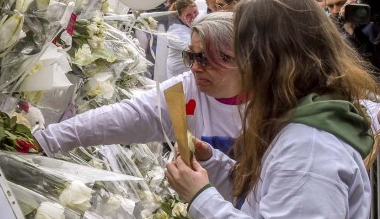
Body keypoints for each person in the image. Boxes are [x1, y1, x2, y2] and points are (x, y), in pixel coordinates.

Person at [165, 0, 377, 219]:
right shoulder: (298, 121)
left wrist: (202, 197)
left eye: (240, 52)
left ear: (269, 57)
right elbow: (274, 198)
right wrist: (216, 165)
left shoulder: (309, 145)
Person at [34, 12, 244, 157]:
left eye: (205, 58)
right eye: (191, 56)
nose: (195, 68)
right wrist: (47, 140)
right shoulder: (184, 89)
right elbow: (125, 116)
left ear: (239, 59)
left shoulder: (272, 106)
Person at [154, 0, 199, 82]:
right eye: (188, 15)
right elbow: (193, 47)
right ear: (179, 16)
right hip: (178, 72)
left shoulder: (191, 24)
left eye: (195, 12)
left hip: (189, 70)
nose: (193, 16)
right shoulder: (175, 30)